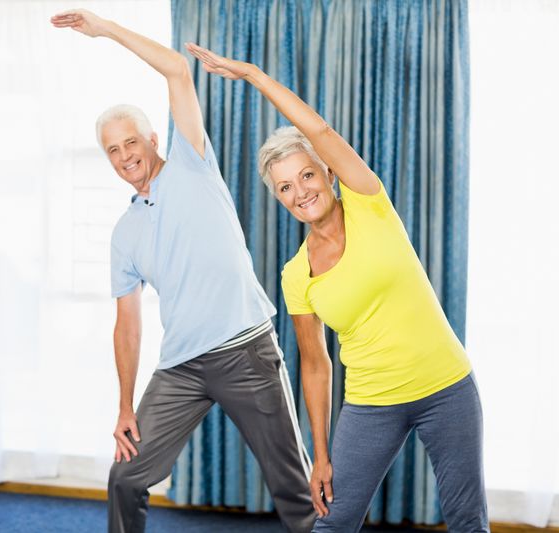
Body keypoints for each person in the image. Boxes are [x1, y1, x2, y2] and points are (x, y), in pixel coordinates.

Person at [184, 43, 489, 532]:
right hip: (371, 404)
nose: (301, 191)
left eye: (307, 175)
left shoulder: (369, 202)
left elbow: (319, 131)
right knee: (332, 523)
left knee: (467, 522)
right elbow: (315, 363)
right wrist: (320, 454)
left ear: (328, 173)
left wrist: (256, 77)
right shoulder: (295, 275)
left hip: (446, 388)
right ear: (279, 198)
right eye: (285, 187)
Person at [51, 9, 317, 533]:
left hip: (246, 349)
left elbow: (176, 69)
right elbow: (127, 326)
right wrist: (124, 406)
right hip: (182, 368)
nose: (126, 155)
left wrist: (105, 30)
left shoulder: (192, 162)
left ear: (153, 137)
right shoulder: (123, 234)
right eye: (113, 150)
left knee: (295, 492)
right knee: (126, 477)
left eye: (131, 142)